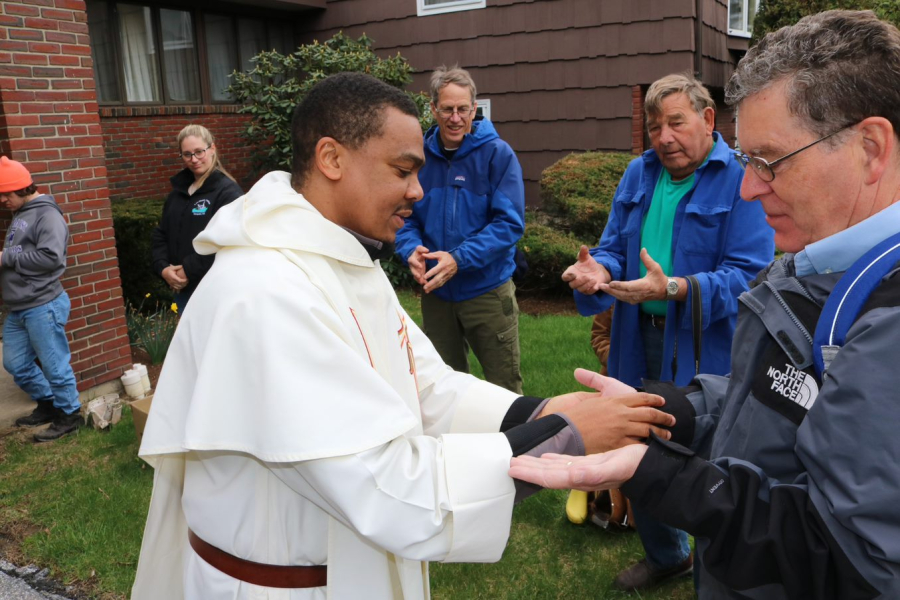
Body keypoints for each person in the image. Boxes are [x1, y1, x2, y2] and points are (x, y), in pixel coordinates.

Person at [130, 72, 677, 600]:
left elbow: (425, 384)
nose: (419, 190)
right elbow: (387, 488)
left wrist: (541, 410)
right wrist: (565, 434)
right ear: (331, 158)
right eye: (402, 170)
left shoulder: (341, 256)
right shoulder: (265, 291)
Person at [511, 10, 900, 599]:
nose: (748, 187)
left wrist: (678, 483)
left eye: (769, 161)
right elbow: (775, 398)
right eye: (747, 161)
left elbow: (850, 561)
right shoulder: (820, 257)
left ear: (871, 148)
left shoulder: (884, 319)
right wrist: (679, 410)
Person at [561, 73, 775, 591]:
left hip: (709, 345)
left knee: (710, 458)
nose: (663, 137)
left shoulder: (742, 180)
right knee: (636, 441)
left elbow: (750, 274)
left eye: (676, 123)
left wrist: (677, 287)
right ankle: (666, 556)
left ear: (707, 120)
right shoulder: (638, 174)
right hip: (637, 338)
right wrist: (600, 271)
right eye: (655, 126)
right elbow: (614, 246)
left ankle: (715, 570)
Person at [395, 66, 525, 394]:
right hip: (437, 296)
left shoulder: (498, 155)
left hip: (487, 292)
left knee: (505, 389)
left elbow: (509, 224)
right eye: (447, 109)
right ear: (433, 108)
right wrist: (409, 248)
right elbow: (403, 216)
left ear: (474, 109)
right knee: (441, 389)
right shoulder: (418, 158)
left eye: (463, 109)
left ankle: (517, 446)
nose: (455, 118)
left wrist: (459, 259)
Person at [0, 157, 82, 442]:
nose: (2, 200)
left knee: (55, 365)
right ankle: (47, 403)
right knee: (15, 364)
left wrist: (5, 257)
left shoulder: (47, 215)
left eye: (6, 194)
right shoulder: (22, 212)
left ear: (24, 188)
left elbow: (51, 257)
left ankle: (70, 415)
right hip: (21, 307)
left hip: (43, 304)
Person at [150, 124, 243, 312]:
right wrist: (163, 269)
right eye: (187, 154)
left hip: (214, 291)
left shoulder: (228, 193)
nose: (194, 159)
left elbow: (226, 242)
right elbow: (162, 233)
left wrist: (187, 270)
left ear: (212, 149)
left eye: (199, 152)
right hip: (183, 290)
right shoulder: (178, 192)